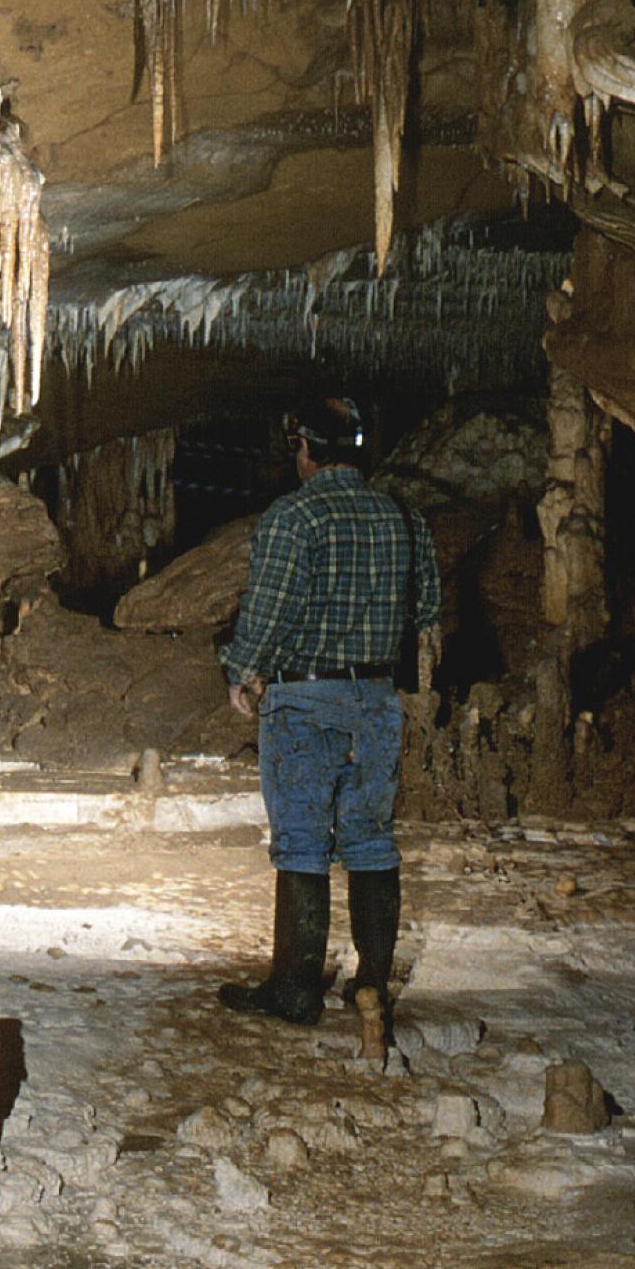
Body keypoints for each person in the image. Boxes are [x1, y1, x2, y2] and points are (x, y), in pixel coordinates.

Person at [218, 393, 440, 1024]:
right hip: (375, 698)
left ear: (306, 449)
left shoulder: (295, 517)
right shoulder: (403, 516)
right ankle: (372, 983)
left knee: (303, 846)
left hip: (304, 700)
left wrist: (242, 671)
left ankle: (294, 988)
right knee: (371, 842)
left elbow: (269, 609)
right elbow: (426, 610)